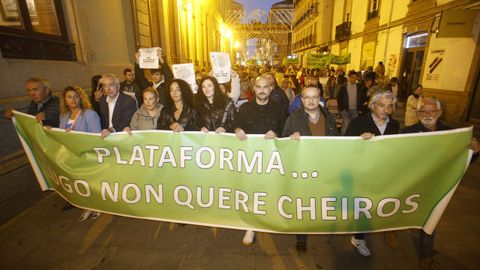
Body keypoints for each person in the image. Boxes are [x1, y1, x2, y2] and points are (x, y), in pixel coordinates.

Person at [401, 97, 479, 269]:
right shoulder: (407, 132)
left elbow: (463, 159)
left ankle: (426, 255)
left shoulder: (452, 134)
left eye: (432, 111)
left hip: (437, 187)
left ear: (440, 112)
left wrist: (473, 152)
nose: (428, 115)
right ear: (417, 113)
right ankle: (391, 230)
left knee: (431, 219)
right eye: (423, 112)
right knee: (401, 214)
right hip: (412, 185)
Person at [282, 84, 339, 252]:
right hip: (303, 169)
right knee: (304, 203)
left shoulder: (328, 117)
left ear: (320, 99)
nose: (311, 101)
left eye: (315, 97)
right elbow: (284, 140)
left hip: (323, 167)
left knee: (320, 200)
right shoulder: (293, 119)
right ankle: (301, 237)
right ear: (301, 100)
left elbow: (336, 140)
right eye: (307, 97)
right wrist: (291, 138)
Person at [345, 91, 400, 257]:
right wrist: (359, 142)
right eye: (382, 105)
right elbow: (345, 146)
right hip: (364, 173)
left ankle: (387, 229)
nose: (386, 109)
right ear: (373, 105)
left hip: (384, 173)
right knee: (364, 206)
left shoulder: (394, 125)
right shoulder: (359, 123)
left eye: (389, 106)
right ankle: (359, 238)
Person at [234, 76, 286, 246]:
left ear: (271, 89)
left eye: (265, 87)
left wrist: (277, 135)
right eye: (259, 87)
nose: (262, 90)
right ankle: (251, 225)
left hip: (271, 158)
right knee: (251, 190)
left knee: (268, 189)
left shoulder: (279, 110)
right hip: (250, 158)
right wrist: (237, 129)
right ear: (253, 89)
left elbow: (286, 131)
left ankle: (268, 219)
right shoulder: (245, 109)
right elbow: (234, 125)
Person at [58, 86, 102, 221]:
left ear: (81, 98)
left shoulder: (90, 114)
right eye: (69, 97)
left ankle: (97, 207)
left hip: (87, 155)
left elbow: (96, 136)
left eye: (76, 96)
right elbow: (59, 134)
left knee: (90, 183)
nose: (73, 99)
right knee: (79, 183)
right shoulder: (63, 116)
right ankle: (86, 206)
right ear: (65, 100)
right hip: (71, 156)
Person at [337, 70, 368, 135]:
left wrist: (360, 108)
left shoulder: (359, 87)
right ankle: (342, 138)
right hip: (346, 109)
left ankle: (353, 138)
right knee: (346, 123)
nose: (354, 79)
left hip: (355, 109)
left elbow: (361, 98)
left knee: (356, 125)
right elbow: (339, 99)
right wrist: (342, 109)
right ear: (349, 77)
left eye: (355, 77)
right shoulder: (343, 87)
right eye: (352, 77)